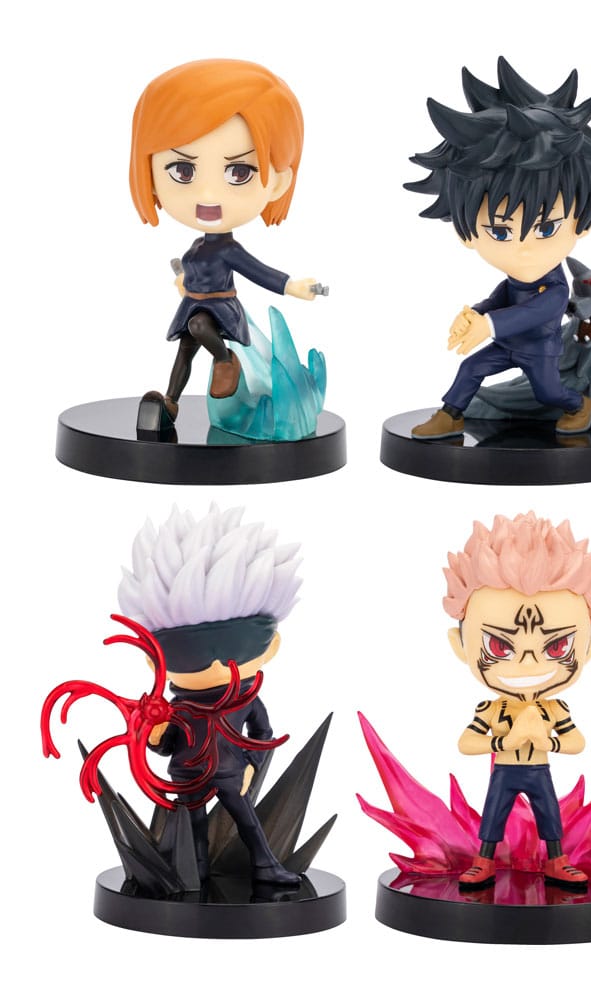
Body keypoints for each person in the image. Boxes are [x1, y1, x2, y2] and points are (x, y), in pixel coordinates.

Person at [406, 58, 591, 438]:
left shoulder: (557, 290)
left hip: (539, 352)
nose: (525, 249)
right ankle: (451, 415)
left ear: (584, 223)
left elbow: (533, 311)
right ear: (466, 235)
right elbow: (503, 297)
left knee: (548, 392)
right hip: (505, 344)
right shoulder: (516, 281)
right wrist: (476, 313)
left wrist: (488, 324)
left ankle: (578, 404)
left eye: (546, 228)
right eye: (500, 232)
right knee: (470, 368)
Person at [118, 504, 304, 884]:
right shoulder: (179, 705)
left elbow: (263, 732)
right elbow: (166, 743)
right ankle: (195, 873)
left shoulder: (245, 699)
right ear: (156, 662)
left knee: (248, 822)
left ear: (270, 647)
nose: (216, 663)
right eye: (189, 654)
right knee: (194, 829)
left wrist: (252, 765)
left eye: (236, 649)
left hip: (231, 772)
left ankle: (265, 866)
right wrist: (155, 734)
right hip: (188, 772)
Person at [129, 59, 320, 423]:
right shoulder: (196, 248)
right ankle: (171, 401)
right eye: (182, 170)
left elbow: (257, 271)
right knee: (184, 352)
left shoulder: (228, 249)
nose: (208, 195)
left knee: (199, 328)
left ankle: (224, 359)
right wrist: (183, 280)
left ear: (278, 182)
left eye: (239, 172)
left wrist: (291, 286)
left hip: (218, 310)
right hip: (194, 304)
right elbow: (191, 273)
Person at [443, 512, 591, 887]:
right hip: (505, 768)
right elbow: (466, 743)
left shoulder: (555, 709)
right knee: (493, 813)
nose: (529, 663)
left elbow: (576, 742)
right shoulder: (492, 709)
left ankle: (556, 860)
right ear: (461, 646)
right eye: (500, 647)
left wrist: (547, 741)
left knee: (550, 813)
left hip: (538, 768)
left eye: (557, 646)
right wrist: (506, 741)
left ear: (588, 650)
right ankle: (484, 860)